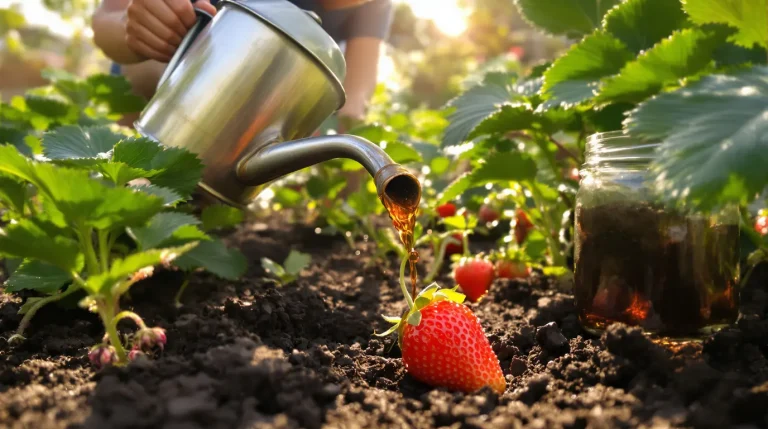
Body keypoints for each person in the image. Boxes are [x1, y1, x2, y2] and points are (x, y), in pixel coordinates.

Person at [91, 0, 394, 131]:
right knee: (152, 74)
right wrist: (136, 27)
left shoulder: (374, 7)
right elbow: (105, 22)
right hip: (165, 82)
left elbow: (354, 103)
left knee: (354, 131)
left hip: (255, 119)